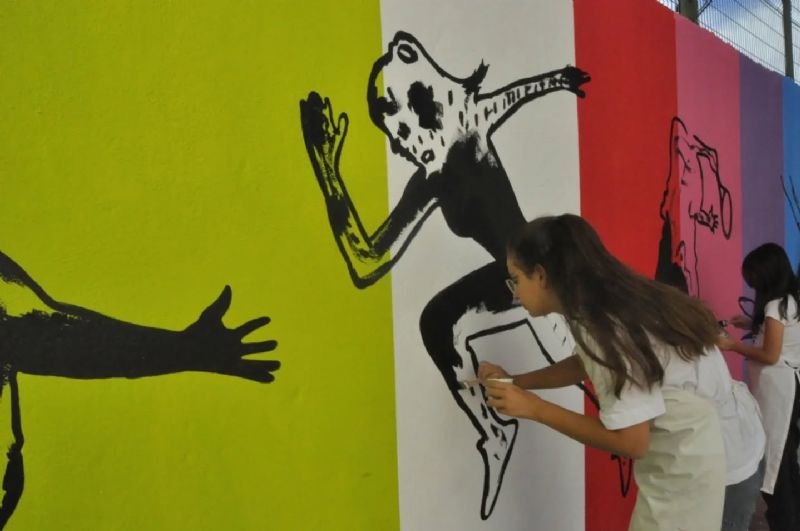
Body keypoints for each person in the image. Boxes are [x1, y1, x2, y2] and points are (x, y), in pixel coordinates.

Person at [479, 214, 763, 531]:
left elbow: (631, 442)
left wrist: (534, 408)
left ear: (542, 275)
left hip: (719, 467)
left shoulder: (606, 327)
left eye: (516, 279)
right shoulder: (605, 303)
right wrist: (517, 382)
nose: (515, 293)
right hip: (727, 439)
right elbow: (586, 363)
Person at [719, 242, 800, 531]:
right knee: (786, 461)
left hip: (780, 394)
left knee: (777, 465)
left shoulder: (774, 307)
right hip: (788, 388)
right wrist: (752, 324)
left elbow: (770, 355)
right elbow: (779, 337)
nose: (751, 283)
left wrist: (732, 346)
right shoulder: (790, 300)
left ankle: (784, 522)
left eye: (753, 277)